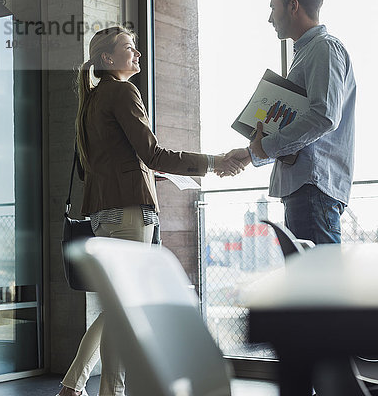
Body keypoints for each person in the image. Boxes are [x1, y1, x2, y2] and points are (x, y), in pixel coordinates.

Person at [56, 26, 243, 396]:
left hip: (101, 213)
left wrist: (144, 174)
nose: (138, 55)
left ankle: (91, 388)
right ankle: (83, 386)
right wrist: (214, 161)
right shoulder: (124, 91)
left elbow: (98, 163)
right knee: (124, 306)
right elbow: (153, 153)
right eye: (130, 49)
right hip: (128, 215)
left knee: (118, 304)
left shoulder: (93, 98)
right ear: (108, 59)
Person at [228, 0, 356, 245]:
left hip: (312, 188)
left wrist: (263, 147)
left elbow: (323, 117)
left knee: (317, 282)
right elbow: (301, 129)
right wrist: (250, 153)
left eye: (272, 9)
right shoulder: (310, 52)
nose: (269, 18)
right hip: (307, 189)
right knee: (310, 280)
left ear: (293, 6)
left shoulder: (323, 48)